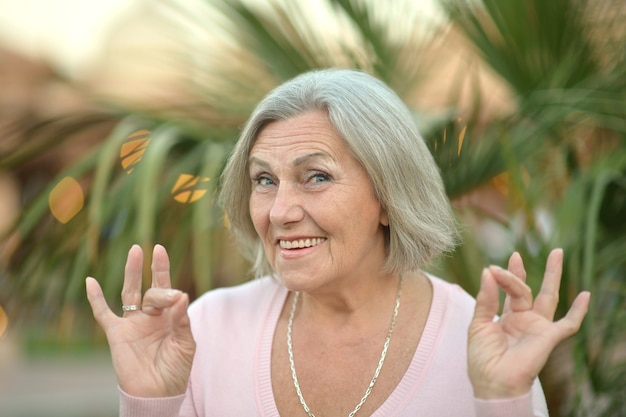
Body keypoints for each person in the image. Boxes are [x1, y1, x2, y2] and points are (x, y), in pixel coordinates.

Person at [85, 68, 590, 417]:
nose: (280, 211)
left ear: (389, 198)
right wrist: (151, 403)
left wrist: (502, 400)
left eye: (316, 177)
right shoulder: (206, 333)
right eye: (264, 180)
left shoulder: (479, 347)